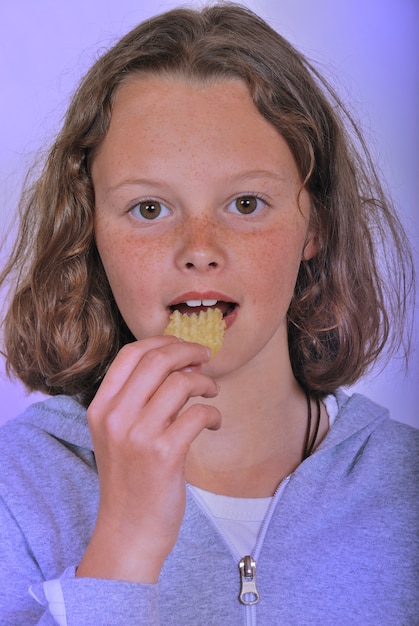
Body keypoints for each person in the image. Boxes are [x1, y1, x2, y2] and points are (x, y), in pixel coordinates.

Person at [0, 3, 417, 624]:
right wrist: (125, 543)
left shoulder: (404, 488)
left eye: (246, 203)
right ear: (90, 230)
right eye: (148, 209)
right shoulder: (18, 489)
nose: (199, 249)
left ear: (317, 227)